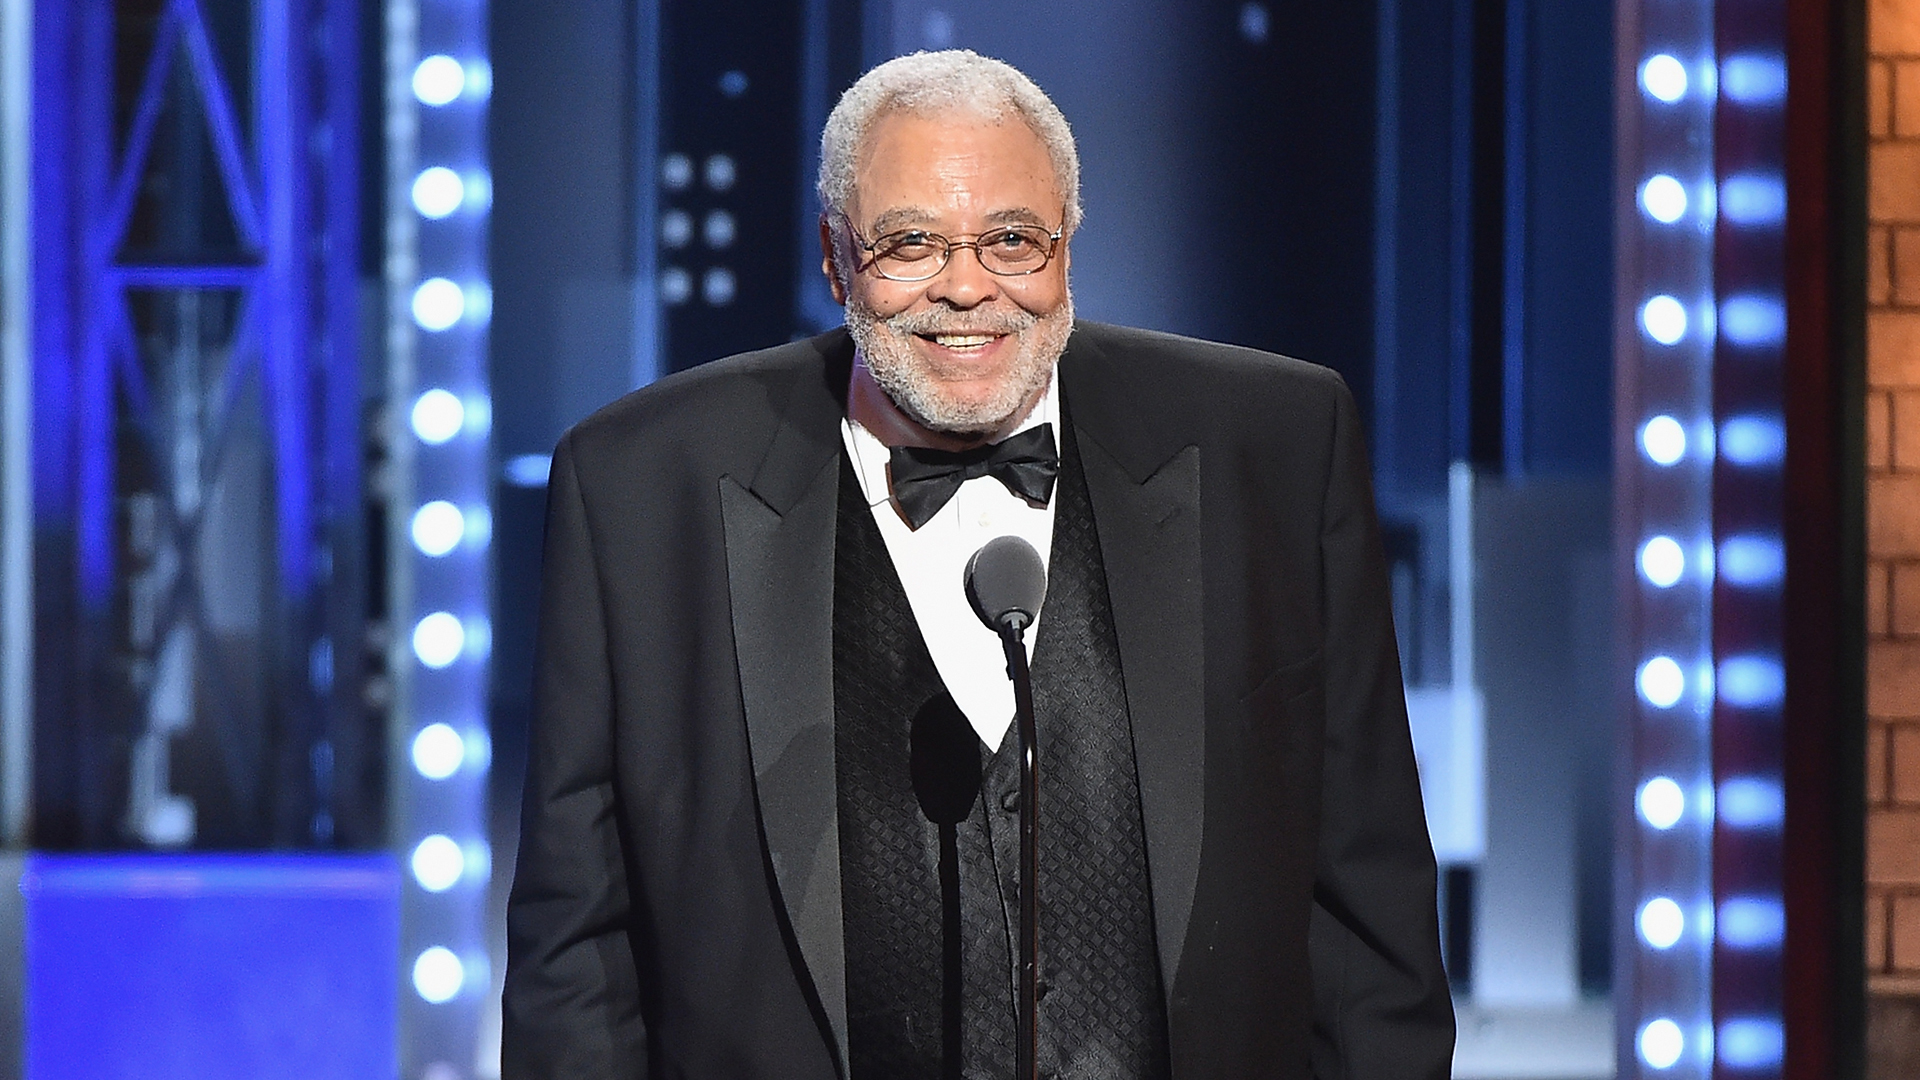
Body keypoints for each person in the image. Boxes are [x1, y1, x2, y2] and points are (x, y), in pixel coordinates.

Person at [503, 49, 1453, 1080]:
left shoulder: (1273, 445)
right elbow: (576, 952)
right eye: (909, 243)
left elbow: (1371, 919)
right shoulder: (644, 485)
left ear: (1068, 248)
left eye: (1012, 240)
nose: (967, 288)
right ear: (834, 258)